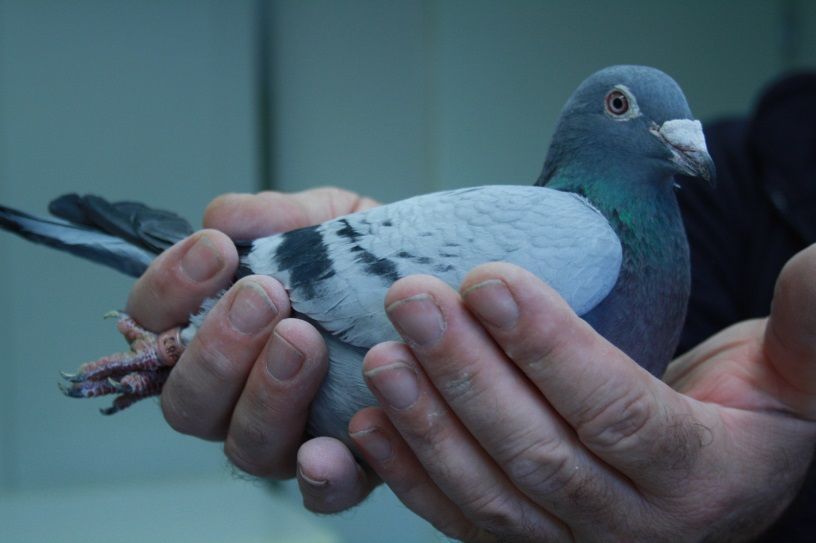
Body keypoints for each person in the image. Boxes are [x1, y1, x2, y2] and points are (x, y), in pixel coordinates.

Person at [125, 74, 816, 541]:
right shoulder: (581, 235)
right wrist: (199, 326)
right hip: (306, 313)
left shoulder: (672, 232)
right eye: (623, 106)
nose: (672, 134)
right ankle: (187, 334)